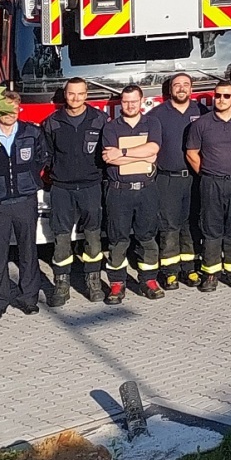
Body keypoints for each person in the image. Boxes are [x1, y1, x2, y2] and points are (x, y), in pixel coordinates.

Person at [0, 93, 48, 318]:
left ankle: (28, 298)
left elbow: (42, 158)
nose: (11, 114)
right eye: (6, 109)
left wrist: (30, 180)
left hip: (25, 201)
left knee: (28, 252)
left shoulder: (32, 133)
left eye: (15, 109)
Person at [43, 78, 108, 306]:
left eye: (80, 94)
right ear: (65, 95)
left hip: (91, 186)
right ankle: (61, 285)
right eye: (71, 94)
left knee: (93, 235)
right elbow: (47, 154)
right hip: (62, 188)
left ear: (86, 95)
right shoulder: (52, 122)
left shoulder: (100, 120)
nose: (76, 98)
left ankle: (94, 282)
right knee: (61, 236)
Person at [187, 81, 231, 290]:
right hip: (211, 183)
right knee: (211, 228)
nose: (221, 100)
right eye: (218, 96)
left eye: (226, 96)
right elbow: (191, 153)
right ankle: (210, 274)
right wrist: (208, 173)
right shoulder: (202, 124)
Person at [100, 84, 162, 304]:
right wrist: (142, 156)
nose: (129, 105)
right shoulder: (111, 128)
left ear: (141, 101)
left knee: (147, 237)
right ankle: (117, 284)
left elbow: (153, 149)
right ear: (120, 103)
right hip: (119, 192)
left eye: (133, 101)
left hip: (146, 190)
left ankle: (149, 280)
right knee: (118, 239)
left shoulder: (152, 123)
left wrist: (124, 152)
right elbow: (110, 158)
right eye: (125, 101)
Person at [144, 74, 202, 288]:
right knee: (169, 226)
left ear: (191, 88)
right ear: (170, 89)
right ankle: (170, 271)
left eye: (185, 85)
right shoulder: (157, 115)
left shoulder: (201, 112)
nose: (181, 88)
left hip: (194, 178)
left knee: (191, 224)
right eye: (177, 85)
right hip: (167, 179)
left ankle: (190, 269)